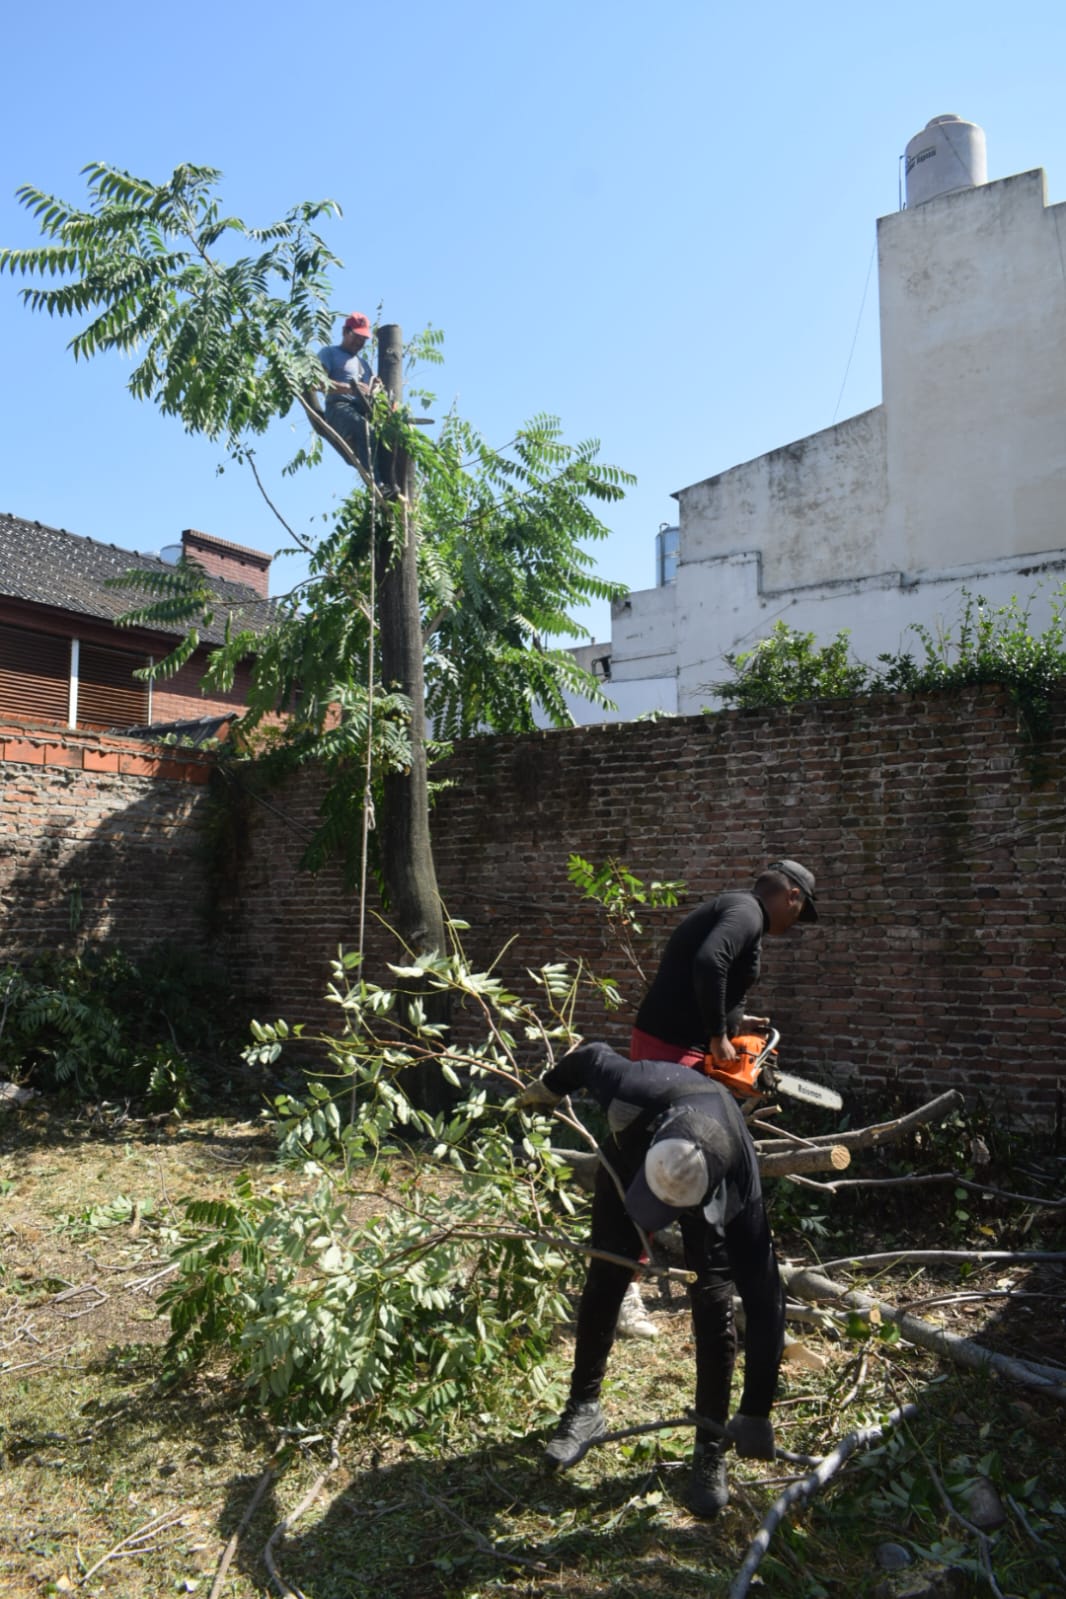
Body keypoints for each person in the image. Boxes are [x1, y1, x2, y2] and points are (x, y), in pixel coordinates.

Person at [524, 1042, 784, 1517]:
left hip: (710, 1183)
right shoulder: (632, 1088)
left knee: (713, 1302)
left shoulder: (738, 1191)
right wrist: (544, 1090)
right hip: (635, 1157)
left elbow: (767, 1300)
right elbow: (588, 1057)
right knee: (607, 1269)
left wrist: (757, 1411)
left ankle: (710, 1447)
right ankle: (583, 1409)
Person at [616, 859, 818, 1339]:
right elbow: (709, 962)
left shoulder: (740, 916)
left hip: (674, 1046)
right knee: (671, 1165)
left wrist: (733, 1026)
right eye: (801, 910)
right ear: (791, 896)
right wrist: (716, 1038)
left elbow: (714, 980)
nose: (796, 923)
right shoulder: (746, 911)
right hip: (670, 1050)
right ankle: (625, 1286)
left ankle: (725, 1289)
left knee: (698, 1165)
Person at [315, 312, 386, 483]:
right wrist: (349, 388)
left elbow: (369, 391)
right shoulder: (329, 353)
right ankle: (376, 484)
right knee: (364, 430)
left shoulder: (363, 364)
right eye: (356, 336)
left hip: (361, 410)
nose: (360, 342)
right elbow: (318, 383)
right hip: (339, 407)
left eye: (363, 339)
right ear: (345, 332)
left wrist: (374, 388)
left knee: (384, 438)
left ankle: (387, 480)